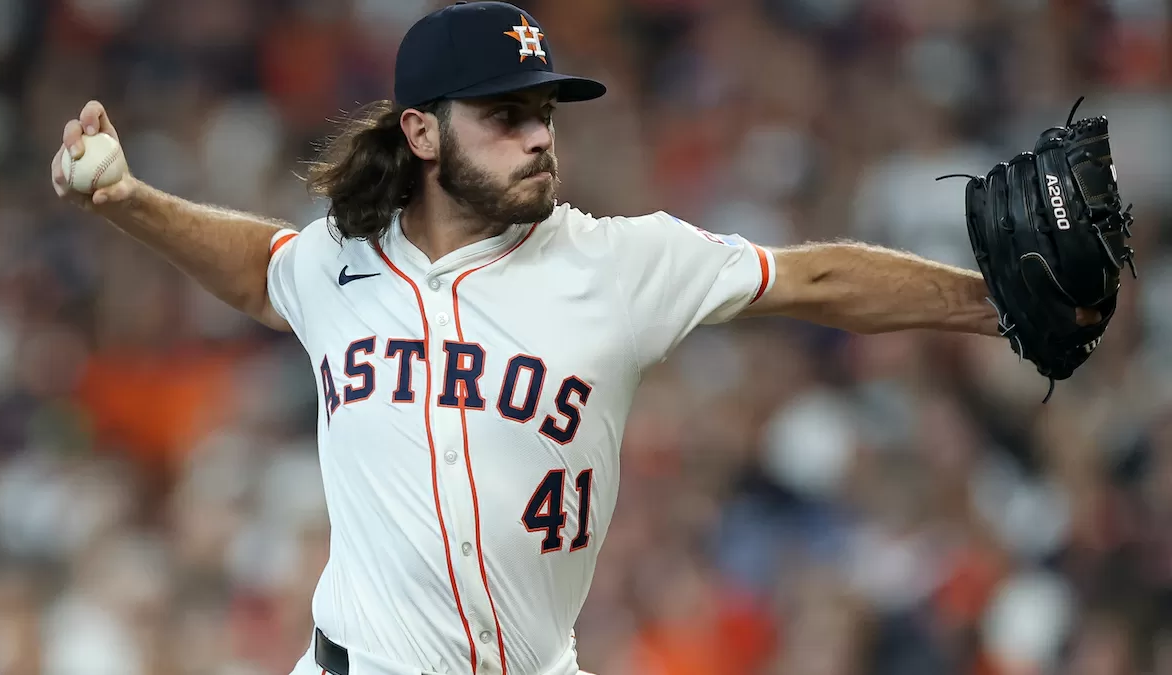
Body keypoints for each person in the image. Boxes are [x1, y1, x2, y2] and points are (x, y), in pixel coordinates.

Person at [51, 3, 1011, 674]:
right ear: (422, 133)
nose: (540, 136)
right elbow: (261, 269)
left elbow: (813, 276)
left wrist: (991, 303)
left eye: (544, 113)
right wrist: (128, 200)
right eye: (505, 116)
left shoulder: (618, 262)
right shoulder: (340, 261)